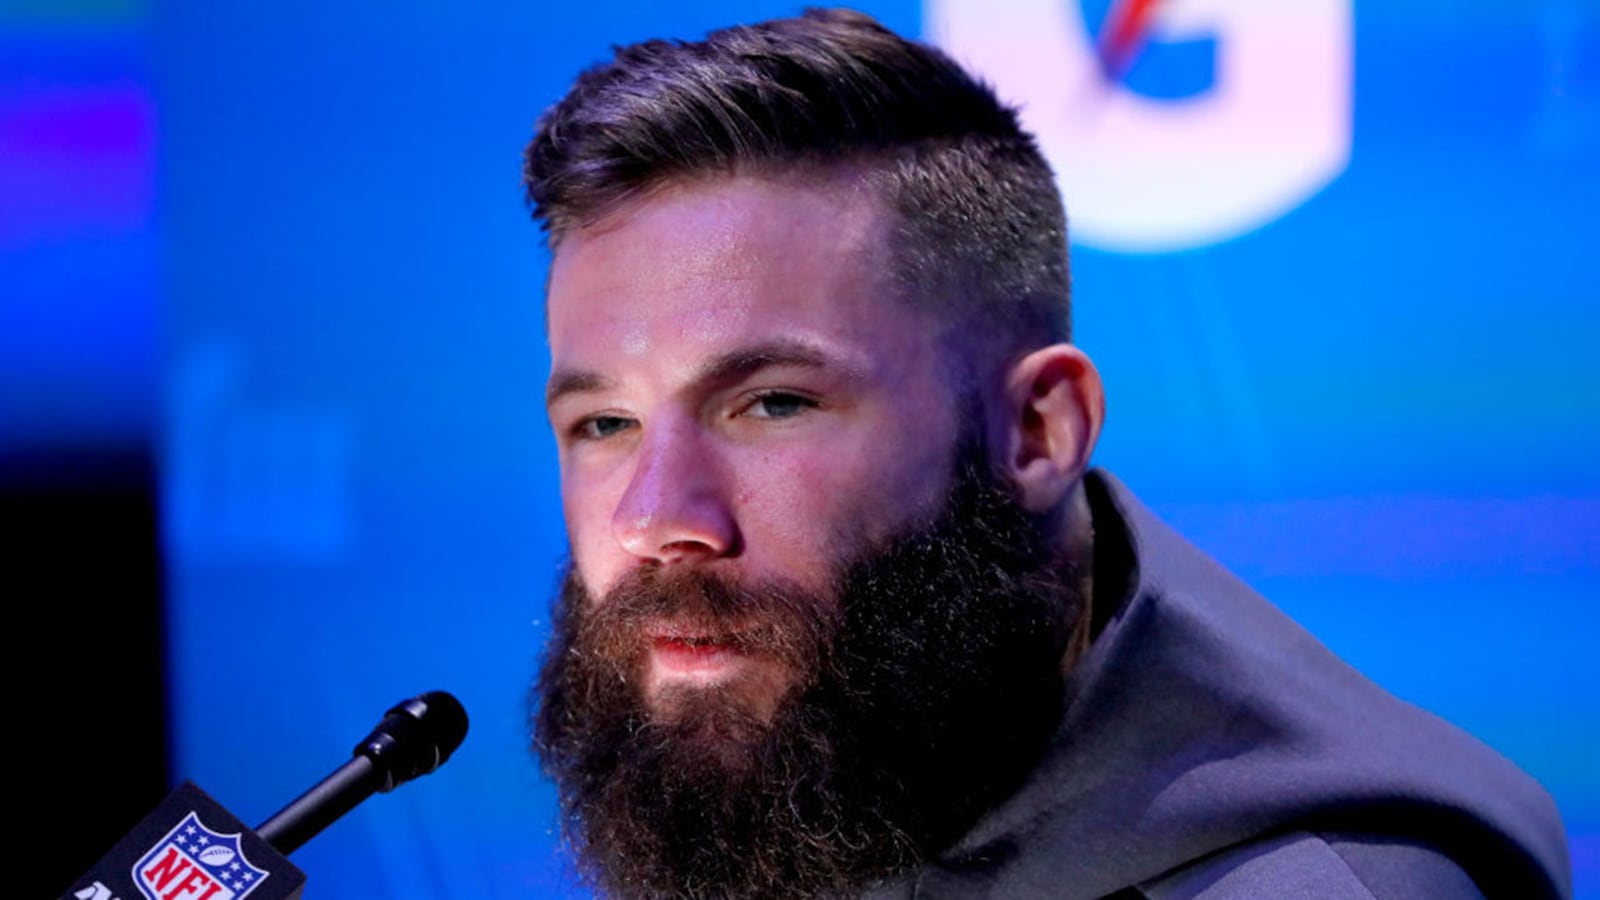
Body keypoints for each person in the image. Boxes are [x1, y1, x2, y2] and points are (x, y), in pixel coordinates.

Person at [521, 9, 1571, 899]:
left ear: (1038, 431)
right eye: (603, 426)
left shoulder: (1310, 883)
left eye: (773, 404)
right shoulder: (825, 769)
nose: (654, 520)